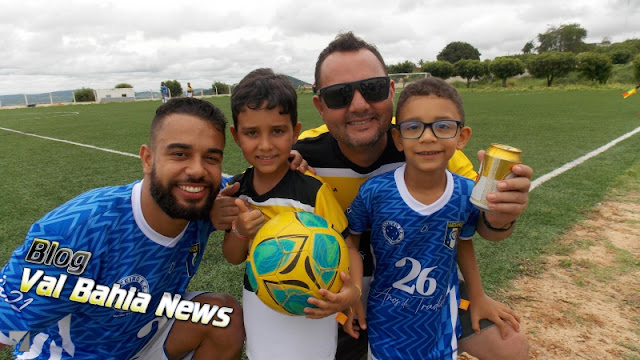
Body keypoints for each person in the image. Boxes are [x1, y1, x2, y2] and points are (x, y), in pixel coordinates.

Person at [294, 32, 532, 359]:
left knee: (511, 344)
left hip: (426, 288)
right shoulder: (302, 158)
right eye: (339, 95)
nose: (359, 105)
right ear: (319, 106)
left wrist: (502, 215)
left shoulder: (431, 151)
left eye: (373, 88)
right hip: (341, 286)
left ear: (391, 91)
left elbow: (478, 227)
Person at [0, 98, 244, 359]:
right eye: (179, 154)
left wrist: (292, 160)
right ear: (148, 159)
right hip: (74, 354)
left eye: (210, 158)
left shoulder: (214, 195)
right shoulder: (75, 232)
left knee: (222, 317)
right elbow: (6, 329)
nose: (197, 170)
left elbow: (260, 183)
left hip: (144, 335)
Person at [343, 77, 523, 359]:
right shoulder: (375, 192)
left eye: (442, 126)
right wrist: (354, 295)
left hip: (439, 325)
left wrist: (477, 296)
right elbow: (350, 243)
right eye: (413, 127)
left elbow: (463, 242)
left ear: (461, 137)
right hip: (385, 326)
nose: (428, 137)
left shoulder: (466, 192)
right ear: (398, 139)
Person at [222, 68, 362, 360]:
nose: (265, 144)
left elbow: (348, 246)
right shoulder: (238, 190)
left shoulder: (312, 191)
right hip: (261, 303)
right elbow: (234, 256)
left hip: (313, 307)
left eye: (277, 131)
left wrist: (353, 294)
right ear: (236, 136)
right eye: (251, 133)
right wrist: (240, 232)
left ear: (295, 132)